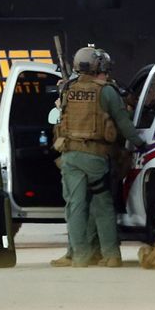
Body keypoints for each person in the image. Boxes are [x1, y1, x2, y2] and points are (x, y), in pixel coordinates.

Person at [53, 45, 138, 268]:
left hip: (70, 157)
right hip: (96, 158)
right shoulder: (107, 91)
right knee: (102, 205)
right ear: (99, 66)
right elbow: (124, 124)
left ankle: (79, 256)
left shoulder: (67, 89)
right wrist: (141, 144)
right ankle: (111, 255)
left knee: (75, 207)